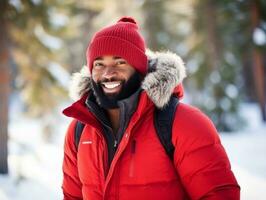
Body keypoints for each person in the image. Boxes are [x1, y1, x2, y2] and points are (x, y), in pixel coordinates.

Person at [62, 16, 240, 200]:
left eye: (120, 62)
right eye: (99, 64)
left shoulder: (184, 123)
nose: (108, 73)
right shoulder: (79, 130)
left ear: (139, 68)